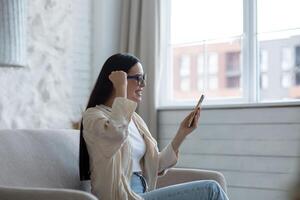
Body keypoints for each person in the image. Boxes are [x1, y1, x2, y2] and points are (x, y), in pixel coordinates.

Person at [79, 53, 229, 200]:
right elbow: (115, 135)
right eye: (138, 78)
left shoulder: (134, 120)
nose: (143, 84)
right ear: (118, 81)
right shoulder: (93, 116)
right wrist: (121, 90)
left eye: (143, 78)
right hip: (123, 197)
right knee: (211, 189)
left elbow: (155, 166)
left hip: (143, 194)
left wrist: (182, 133)